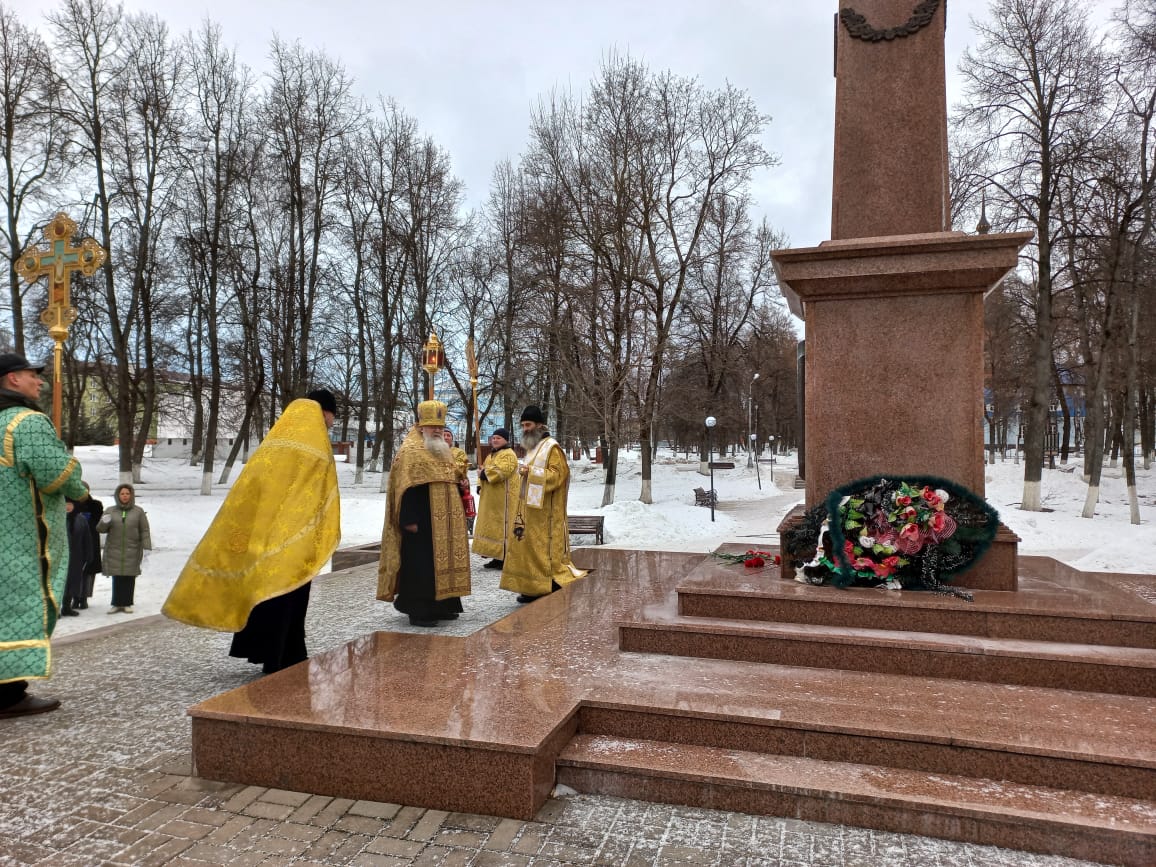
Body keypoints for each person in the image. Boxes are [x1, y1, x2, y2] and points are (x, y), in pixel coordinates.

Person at [162, 389, 341, 675]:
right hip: (294, 538)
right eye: (333, 414)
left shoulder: (275, 443)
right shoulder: (314, 447)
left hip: (262, 533)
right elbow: (318, 493)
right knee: (289, 595)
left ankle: (263, 650)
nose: (333, 422)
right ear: (323, 412)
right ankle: (282, 657)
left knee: (264, 592)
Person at [0, 352, 88, 718]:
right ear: (11, 379)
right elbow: (57, 474)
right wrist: (81, 489)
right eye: (31, 375)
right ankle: (8, 694)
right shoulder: (27, 422)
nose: (40, 381)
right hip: (22, 541)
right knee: (23, 609)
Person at [377, 400, 472, 627]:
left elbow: (451, 476)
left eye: (440, 427)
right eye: (433, 427)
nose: (438, 431)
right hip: (421, 520)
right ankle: (418, 610)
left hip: (446, 520)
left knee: (443, 563)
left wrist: (460, 481)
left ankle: (444, 605)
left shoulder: (442, 450)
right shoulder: (410, 451)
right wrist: (408, 519)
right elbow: (405, 488)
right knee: (422, 564)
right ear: (420, 426)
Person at [500, 405, 587, 603]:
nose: (525, 429)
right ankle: (530, 586)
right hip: (530, 510)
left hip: (546, 512)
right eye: (522, 425)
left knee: (541, 550)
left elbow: (558, 475)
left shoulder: (551, 447)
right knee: (527, 549)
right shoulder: (533, 448)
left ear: (539, 424)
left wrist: (530, 473)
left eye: (528, 424)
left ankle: (545, 585)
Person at [98, 483, 152, 613]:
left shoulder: (138, 511)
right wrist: (104, 521)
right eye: (122, 494)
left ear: (131, 495)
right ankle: (116, 603)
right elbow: (100, 529)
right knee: (117, 576)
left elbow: (144, 530)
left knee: (129, 576)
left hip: (132, 548)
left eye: (127, 493)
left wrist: (147, 547)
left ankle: (127, 603)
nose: (125, 496)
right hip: (114, 549)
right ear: (118, 495)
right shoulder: (110, 511)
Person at [472, 428, 519, 570]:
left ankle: (505, 557)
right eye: (493, 438)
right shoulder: (491, 456)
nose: (495, 440)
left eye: (498, 438)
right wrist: (480, 485)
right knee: (493, 527)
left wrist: (484, 475)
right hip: (490, 499)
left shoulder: (509, 454)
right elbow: (482, 470)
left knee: (503, 528)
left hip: (504, 499)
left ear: (506, 440)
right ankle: (496, 557)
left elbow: (502, 471)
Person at [61, 498, 94, 616]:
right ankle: (54, 609)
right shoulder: (58, 518)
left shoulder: (81, 520)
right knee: (60, 582)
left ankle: (66, 606)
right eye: (66, 504)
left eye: (70, 504)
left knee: (73, 581)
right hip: (60, 557)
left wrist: (89, 555)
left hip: (76, 556)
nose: (68, 507)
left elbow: (87, 539)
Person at [78, 482, 104, 609]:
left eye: (85, 489)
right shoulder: (71, 504)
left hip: (91, 541)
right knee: (75, 571)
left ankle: (84, 598)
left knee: (88, 571)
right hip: (75, 543)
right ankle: (74, 596)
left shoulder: (95, 505)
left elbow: (99, 522)